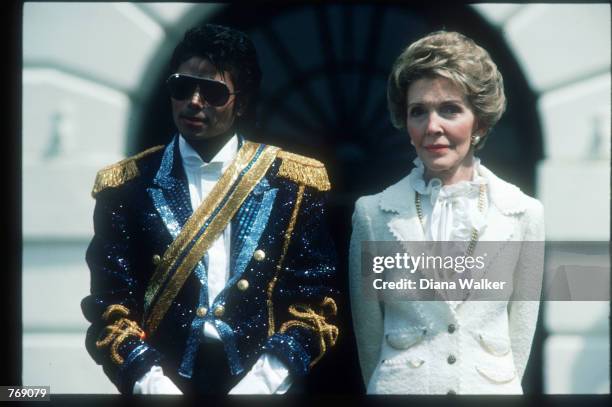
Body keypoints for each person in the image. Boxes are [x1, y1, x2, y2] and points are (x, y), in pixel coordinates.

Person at [81, 23, 339, 395]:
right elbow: (109, 308)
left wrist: (264, 383)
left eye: (214, 92)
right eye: (182, 87)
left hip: (264, 381)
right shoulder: (125, 187)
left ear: (242, 103)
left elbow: (317, 305)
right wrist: (151, 386)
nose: (195, 101)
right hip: (159, 380)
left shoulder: (292, 184)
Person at [349, 31, 544, 394]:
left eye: (450, 109)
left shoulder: (523, 214)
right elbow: (369, 342)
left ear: (480, 122)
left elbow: (520, 336)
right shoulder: (372, 215)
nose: (432, 127)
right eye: (418, 112)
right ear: (406, 124)